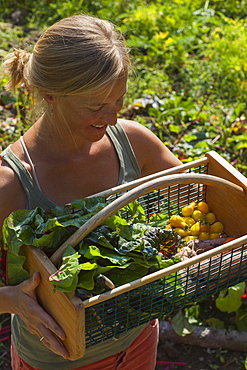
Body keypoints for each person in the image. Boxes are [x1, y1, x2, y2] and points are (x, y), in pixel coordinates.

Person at [0, 14, 182, 370]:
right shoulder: (12, 184)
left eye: (118, 101)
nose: (112, 117)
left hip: (138, 338)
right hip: (58, 361)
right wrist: (12, 301)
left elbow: (201, 195)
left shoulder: (132, 143)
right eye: (95, 107)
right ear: (50, 95)